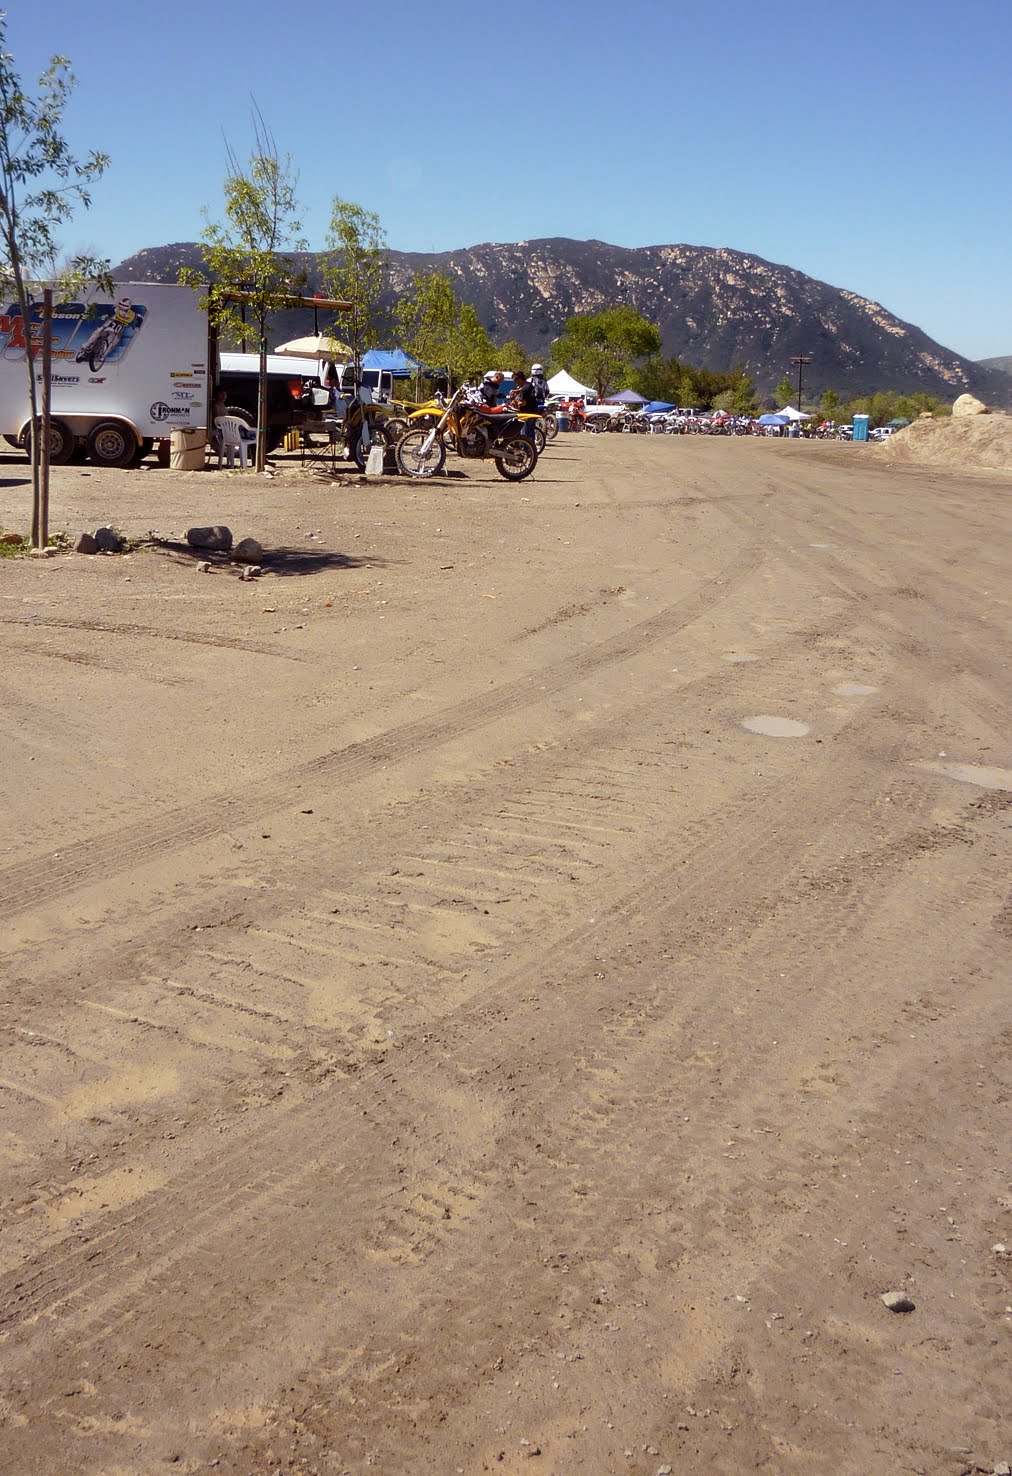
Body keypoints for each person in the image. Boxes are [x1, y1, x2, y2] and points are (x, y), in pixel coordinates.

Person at [508, 369, 539, 444]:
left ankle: (526, 448)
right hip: (531, 411)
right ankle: (530, 447)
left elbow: (523, 403)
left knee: (525, 432)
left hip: (528, 412)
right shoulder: (528, 385)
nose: (515, 382)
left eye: (515, 380)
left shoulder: (525, 389)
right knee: (530, 431)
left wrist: (515, 403)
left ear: (519, 378)